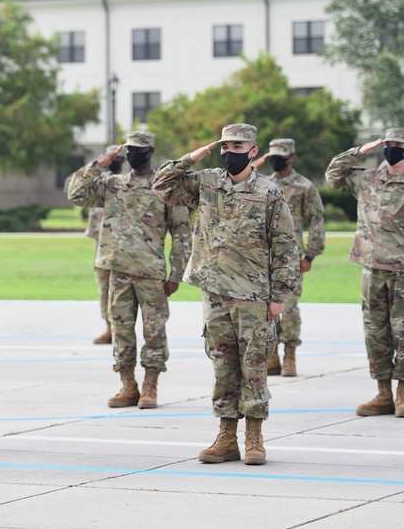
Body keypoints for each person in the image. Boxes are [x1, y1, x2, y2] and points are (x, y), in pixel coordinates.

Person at [153, 124, 299, 465]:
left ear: (252, 149)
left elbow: (285, 246)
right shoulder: (206, 183)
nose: (230, 150)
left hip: (253, 294)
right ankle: (225, 436)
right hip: (215, 291)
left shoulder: (268, 192)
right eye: (225, 144)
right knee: (222, 365)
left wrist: (279, 295)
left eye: (238, 144)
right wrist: (191, 157)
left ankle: (254, 437)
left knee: (253, 366)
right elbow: (161, 185)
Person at [67, 131, 191, 409]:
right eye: (130, 149)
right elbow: (75, 193)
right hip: (118, 271)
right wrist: (99, 164)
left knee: (154, 331)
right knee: (121, 330)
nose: (134, 154)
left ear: (150, 151)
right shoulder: (113, 184)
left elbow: (182, 234)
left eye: (139, 149)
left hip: (151, 272)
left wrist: (176, 274)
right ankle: (128, 384)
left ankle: (150, 386)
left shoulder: (166, 187)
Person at [326, 128, 404, 416]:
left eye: (399, 145)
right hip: (372, 269)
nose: (393, 149)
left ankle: (402, 392)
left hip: (402, 271)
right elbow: (333, 174)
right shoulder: (367, 179)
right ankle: (383, 393)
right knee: (375, 332)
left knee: (403, 333)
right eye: (389, 144)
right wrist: (360, 151)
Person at [253, 139, 325, 377]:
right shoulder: (261, 184)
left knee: (290, 307)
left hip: (291, 258)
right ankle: (272, 356)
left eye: (281, 156)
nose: (276, 160)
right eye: (272, 155)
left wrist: (311, 255)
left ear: (291, 157)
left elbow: (316, 220)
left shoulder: (304, 186)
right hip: (263, 257)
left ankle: (290, 355)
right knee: (265, 308)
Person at [67, 146, 125, 345]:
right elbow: (74, 188)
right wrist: (96, 166)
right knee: (104, 291)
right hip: (102, 248)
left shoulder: (126, 185)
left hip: (125, 249)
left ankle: (123, 330)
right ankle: (110, 328)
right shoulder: (98, 185)